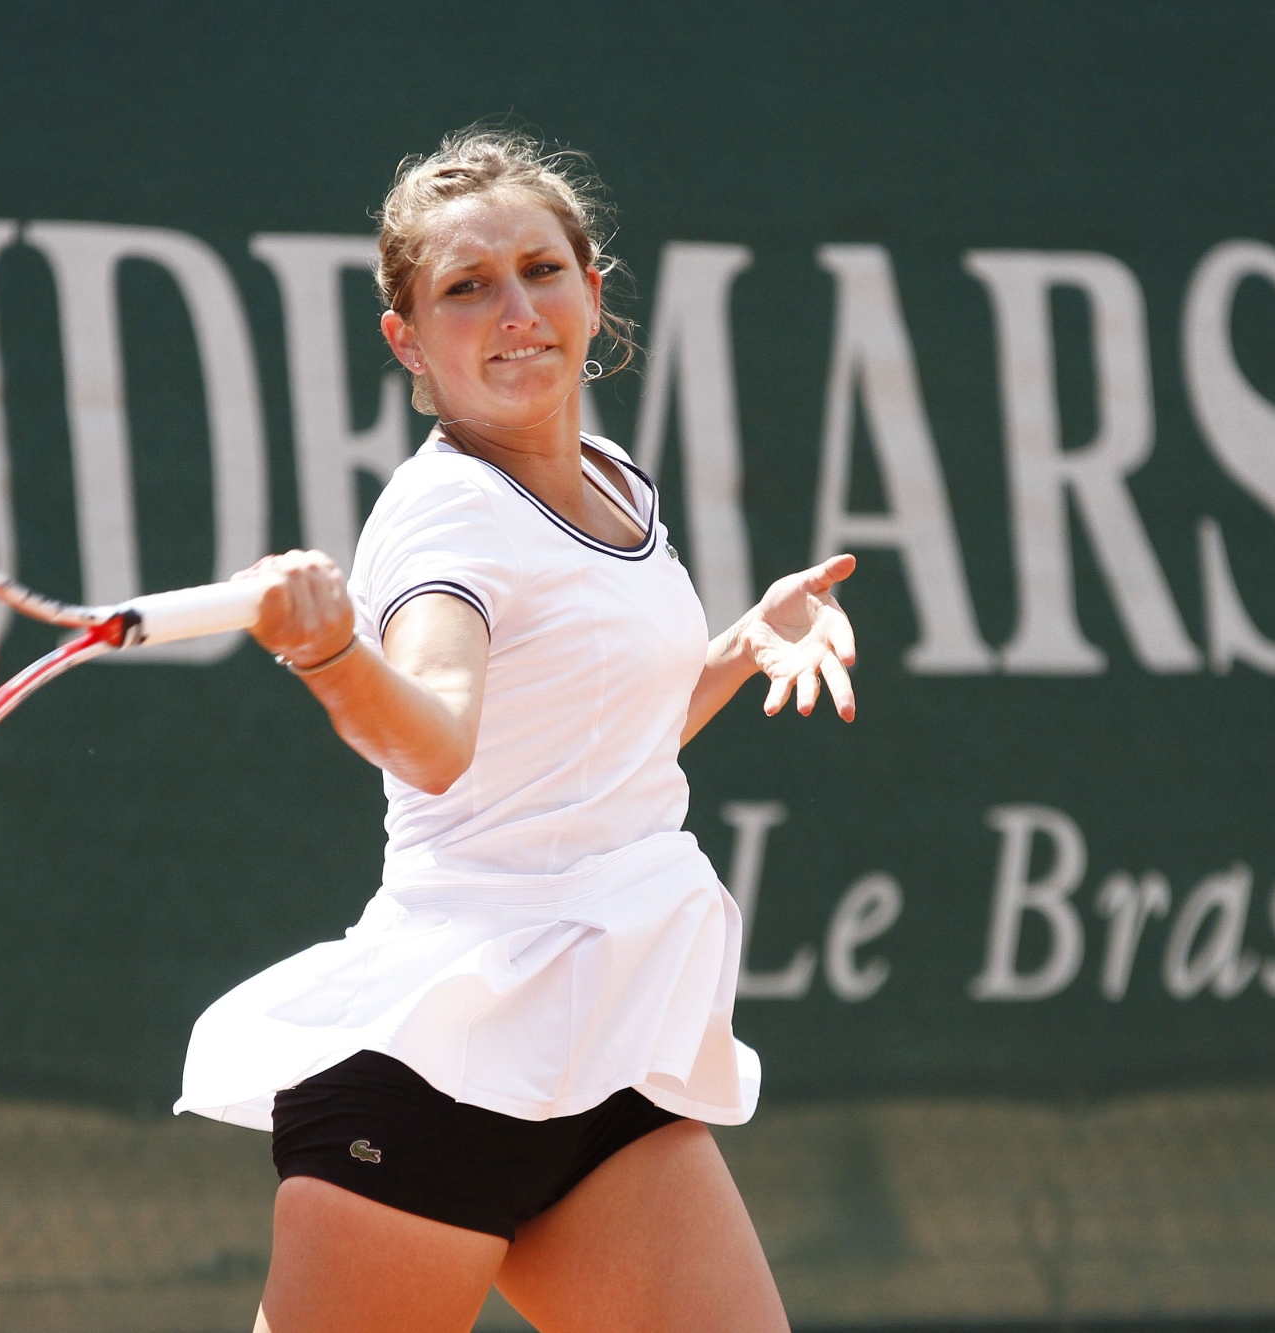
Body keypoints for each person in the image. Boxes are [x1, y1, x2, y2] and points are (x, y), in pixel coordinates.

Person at [174, 128, 858, 1333]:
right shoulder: (448, 524)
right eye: (464, 288)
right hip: (435, 1079)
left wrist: (741, 643)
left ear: (592, 294)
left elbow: (594, 750)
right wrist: (332, 656)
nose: (514, 311)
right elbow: (438, 741)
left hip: (597, 1066)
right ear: (408, 339)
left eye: (541, 272)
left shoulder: (606, 477)